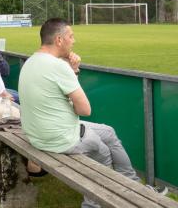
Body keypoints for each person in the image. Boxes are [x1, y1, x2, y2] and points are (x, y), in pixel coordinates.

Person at [18, 18, 167, 206]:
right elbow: (85, 110)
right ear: (59, 40)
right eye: (71, 36)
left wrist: (72, 70)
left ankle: (134, 185)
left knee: (109, 132)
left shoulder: (31, 61)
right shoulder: (57, 66)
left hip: (39, 135)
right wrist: (69, 70)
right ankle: (92, 204)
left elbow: (57, 94)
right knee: (103, 152)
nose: (74, 40)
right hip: (60, 138)